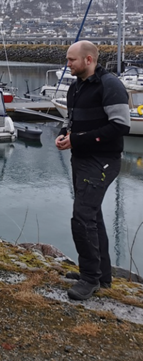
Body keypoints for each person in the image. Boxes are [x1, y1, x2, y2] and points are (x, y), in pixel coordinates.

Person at [55, 40, 130, 301]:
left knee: (82, 217)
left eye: (71, 60)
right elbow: (70, 121)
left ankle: (89, 279)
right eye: (67, 59)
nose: (68, 64)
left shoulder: (110, 85)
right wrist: (64, 135)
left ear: (89, 60)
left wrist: (77, 139)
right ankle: (103, 275)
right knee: (93, 216)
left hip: (103, 160)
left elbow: (120, 126)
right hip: (81, 159)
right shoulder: (75, 87)